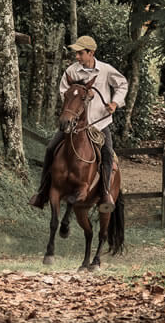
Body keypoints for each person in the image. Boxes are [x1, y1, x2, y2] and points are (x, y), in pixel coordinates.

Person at [29, 35, 127, 213]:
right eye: (76, 53)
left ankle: (105, 193)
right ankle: (42, 192)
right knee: (51, 148)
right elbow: (64, 92)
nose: (77, 57)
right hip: (75, 126)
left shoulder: (105, 70)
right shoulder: (72, 71)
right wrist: (73, 108)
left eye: (80, 53)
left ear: (91, 53)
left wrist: (114, 103)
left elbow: (122, 84)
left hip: (100, 123)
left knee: (107, 155)